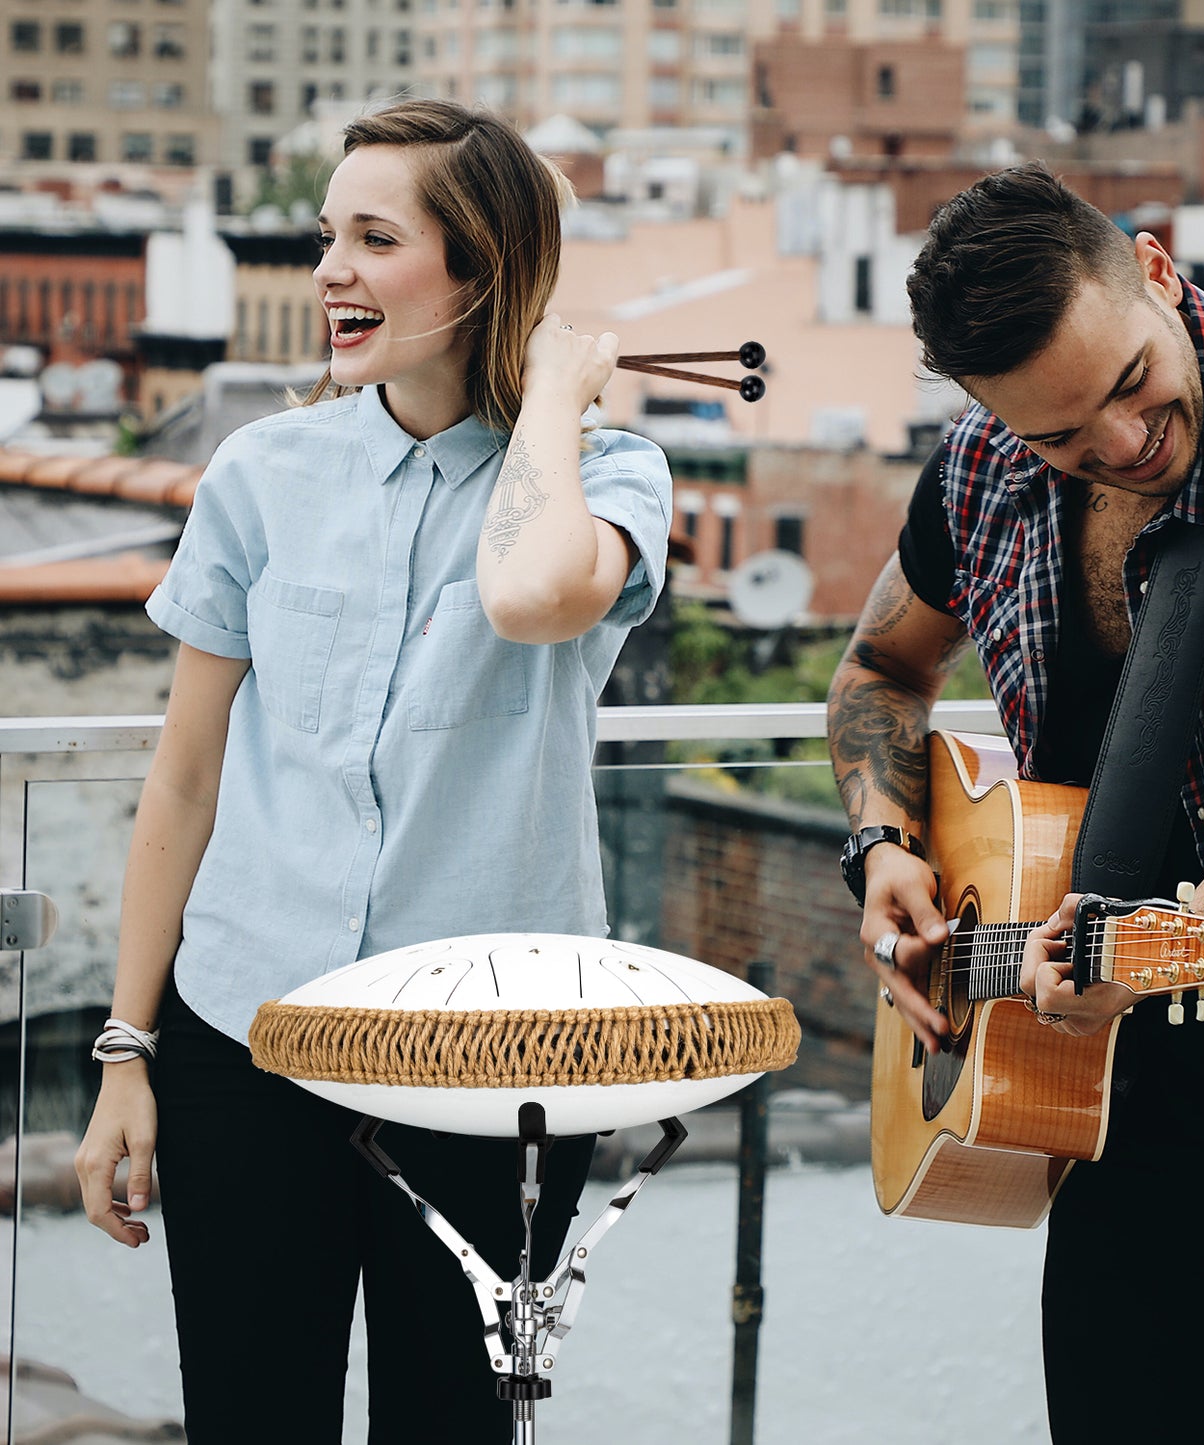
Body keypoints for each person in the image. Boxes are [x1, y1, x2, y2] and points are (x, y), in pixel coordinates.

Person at [74, 98, 672, 1443]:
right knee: (248, 1417)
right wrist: (128, 1050)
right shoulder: (261, 472)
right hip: (245, 1041)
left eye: (374, 237)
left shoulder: (612, 477)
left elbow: (527, 598)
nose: (330, 269)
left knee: (452, 1426)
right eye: (325, 234)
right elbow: (183, 779)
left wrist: (556, 405)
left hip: (486, 1074)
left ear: (481, 274)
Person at [827, 161, 1204, 1445]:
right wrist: (883, 846)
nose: (1114, 443)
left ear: (1155, 270)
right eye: (1055, 433)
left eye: (1125, 385)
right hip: (1114, 1112)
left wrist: (1143, 945)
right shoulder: (979, 476)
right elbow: (880, 669)